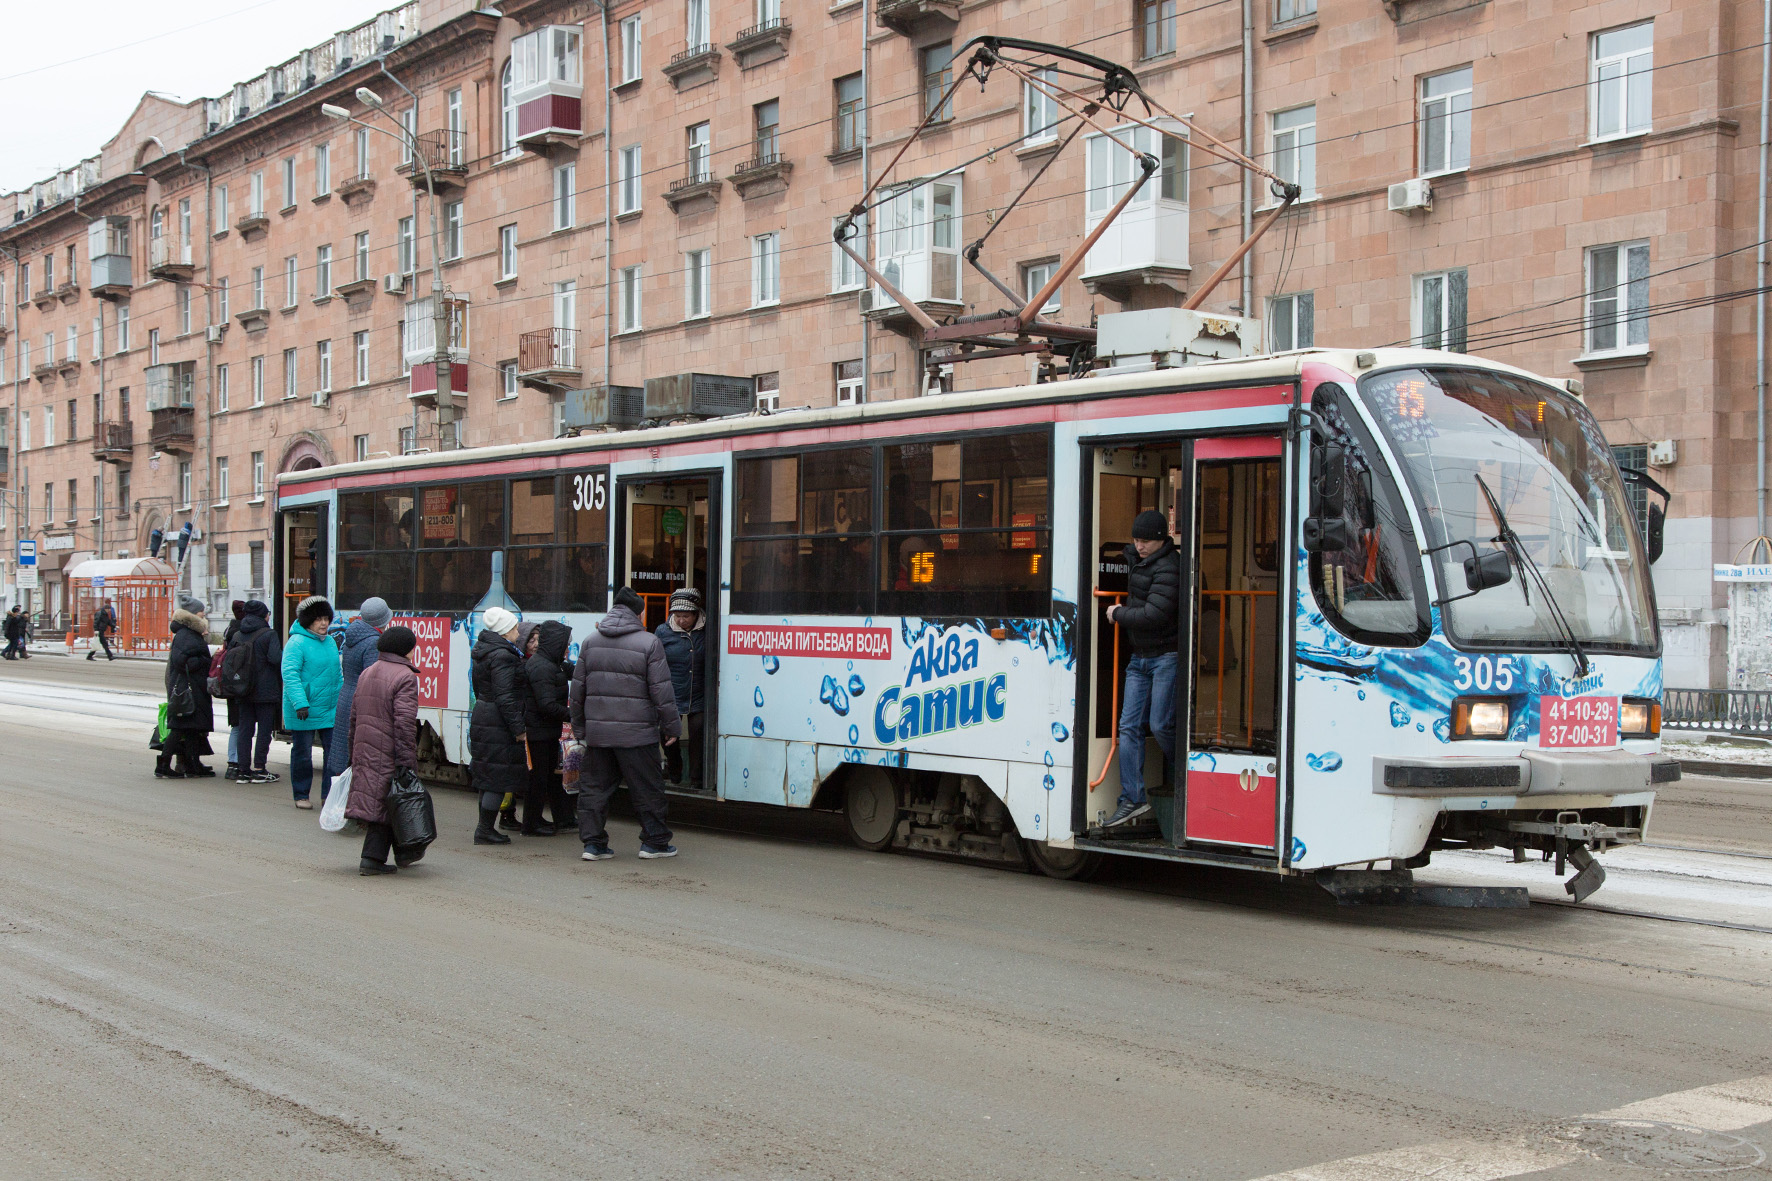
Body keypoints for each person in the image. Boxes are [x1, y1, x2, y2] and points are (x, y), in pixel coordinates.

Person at [569, 586, 681, 861]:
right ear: (638, 612)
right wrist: (672, 727)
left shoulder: (590, 641)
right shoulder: (649, 642)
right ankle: (654, 842)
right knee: (647, 789)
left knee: (594, 790)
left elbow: (577, 691)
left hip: (599, 735)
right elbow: (662, 692)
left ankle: (593, 845)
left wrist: (580, 728)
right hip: (637, 735)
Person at [1104, 509, 1182, 827]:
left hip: (1165, 655)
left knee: (1161, 725)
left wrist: (1117, 614)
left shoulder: (1170, 567)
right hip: (1140, 657)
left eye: (1145, 540)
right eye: (1136, 539)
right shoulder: (1142, 560)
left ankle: (1188, 776)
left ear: (1161, 539)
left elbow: (1154, 614)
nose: (1139, 545)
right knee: (1128, 727)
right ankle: (1132, 799)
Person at [345, 626, 423, 876]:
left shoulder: (368, 672)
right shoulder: (405, 676)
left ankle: (396, 855)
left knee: (384, 801)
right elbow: (404, 724)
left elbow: (354, 717)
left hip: (365, 746)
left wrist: (352, 752)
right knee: (389, 802)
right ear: (408, 649)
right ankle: (372, 859)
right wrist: (406, 762)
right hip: (387, 750)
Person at [469, 606, 528, 845]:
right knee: (497, 776)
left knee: (487, 774)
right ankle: (484, 830)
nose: (518, 632)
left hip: (484, 713)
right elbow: (505, 696)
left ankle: (484, 827)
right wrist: (518, 728)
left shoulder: (483, 651)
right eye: (514, 628)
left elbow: (478, 687)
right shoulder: (503, 655)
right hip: (498, 720)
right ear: (504, 631)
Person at [282, 596, 342, 809]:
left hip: (329, 708)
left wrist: (342, 701)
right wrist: (300, 703)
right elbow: (290, 674)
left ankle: (328, 796)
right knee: (302, 753)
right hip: (304, 709)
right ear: (308, 620)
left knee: (333, 755)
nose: (324, 623)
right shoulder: (296, 642)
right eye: (318, 619)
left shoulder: (331, 642)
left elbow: (337, 675)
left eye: (326, 618)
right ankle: (301, 794)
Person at [327, 596, 391, 783]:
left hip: (347, 696)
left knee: (344, 753)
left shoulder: (352, 637)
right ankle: (351, 804)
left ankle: (335, 801)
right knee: (358, 756)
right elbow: (372, 678)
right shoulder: (373, 642)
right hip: (362, 701)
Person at [521, 619, 574, 835]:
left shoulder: (551, 663)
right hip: (539, 732)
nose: (567, 649)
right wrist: (574, 715)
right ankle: (531, 824)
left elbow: (573, 671)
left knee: (547, 777)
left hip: (545, 730)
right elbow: (546, 705)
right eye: (565, 645)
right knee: (539, 779)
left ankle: (544, 820)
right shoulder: (542, 667)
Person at [157, 596, 216, 778]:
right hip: (188, 689)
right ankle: (164, 766)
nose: (203, 614)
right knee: (179, 728)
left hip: (192, 688)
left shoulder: (189, 633)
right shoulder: (186, 635)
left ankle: (192, 765)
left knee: (191, 728)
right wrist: (204, 660)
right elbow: (182, 662)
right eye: (200, 611)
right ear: (192, 616)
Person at [654, 588, 706, 790]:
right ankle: (675, 769)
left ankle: (696, 778)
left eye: (686, 616)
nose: (682, 620)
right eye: (677, 616)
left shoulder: (708, 629)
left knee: (698, 733)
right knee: (666, 734)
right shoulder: (662, 631)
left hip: (700, 693)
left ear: (696, 614)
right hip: (672, 693)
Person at [232, 600, 282, 783]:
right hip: (265, 690)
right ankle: (260, 768)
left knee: (245, 729)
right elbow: (276, 659)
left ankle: (243, 770)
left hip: (242, 689)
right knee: (264, 731)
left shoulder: (237, 634)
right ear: (263, 615)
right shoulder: (269, 634)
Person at [221, 601, 247, 779]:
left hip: (231, 685)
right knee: (242, 726)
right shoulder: (242, 633)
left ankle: (233, 762)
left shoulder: (229, 630)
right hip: (242, 685)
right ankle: (240, 762)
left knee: (235, 726)